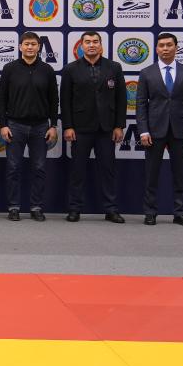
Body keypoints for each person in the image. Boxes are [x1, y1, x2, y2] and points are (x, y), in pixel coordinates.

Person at [136, 32, 183, 226]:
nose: (165, 48)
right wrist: (143, 130)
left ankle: (180, 213)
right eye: (161, 45)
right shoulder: (146, 73)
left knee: (180, 174)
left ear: (176, 47)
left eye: (169, 45)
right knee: (151, 174)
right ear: (156, 49)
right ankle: (150, 212)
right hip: (154, 131)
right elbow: (141, 104)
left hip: (180, 130)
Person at [60, 31, 126, 223]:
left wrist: (119, 126)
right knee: (77, 171)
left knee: (108, 170)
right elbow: (65, 101)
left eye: (95, 41)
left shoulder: (114, 67)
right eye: (87, 42)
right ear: (81, 46)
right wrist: (68, 126)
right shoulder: (70, 69)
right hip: (80, 128)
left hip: (107, 128)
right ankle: (74, 209)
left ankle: (111, 209)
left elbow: (121, 99)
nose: (91, 45)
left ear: (101, 45)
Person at [0, 31, 58, 222]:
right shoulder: (9, 69)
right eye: (26, 44)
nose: (30, 47)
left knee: (39, 168)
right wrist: (3, 125)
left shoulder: (47, 70)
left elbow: (54, 100)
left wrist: (53, 125)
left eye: (33, 44)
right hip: (15, 125)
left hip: (41, 127)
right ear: (20, 47)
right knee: (13, 168)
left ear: (39, 47)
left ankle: (36, 207)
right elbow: (1, 100)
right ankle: (13, 207)